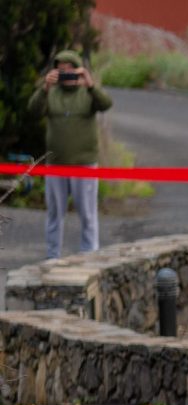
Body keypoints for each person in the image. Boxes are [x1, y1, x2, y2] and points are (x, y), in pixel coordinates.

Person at [27, 50, 113, 259]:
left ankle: (89, 254)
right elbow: (33, 111)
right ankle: (52, 255)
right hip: (56, 164)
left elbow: (106, 104)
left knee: (88, 214)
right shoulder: (51, 93)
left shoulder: (87, 93)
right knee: (55, 213)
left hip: (84, 164)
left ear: (78, 70)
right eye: (61, 70)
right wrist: (44, 88)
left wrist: (91, 84)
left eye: (69, 70)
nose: (65, 74)